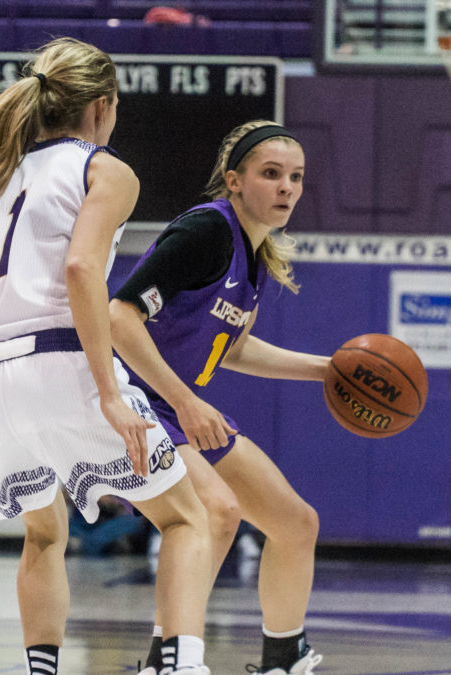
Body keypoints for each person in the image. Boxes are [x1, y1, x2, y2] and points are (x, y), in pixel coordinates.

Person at [0, 37, 214, 674]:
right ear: (103, 106)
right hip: (59, 362)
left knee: (43, 533)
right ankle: (181, 667)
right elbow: (82, 268)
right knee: (191, 518)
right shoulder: (103, 169)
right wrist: (108, 392)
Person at [109, 120, 325, 675]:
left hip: (177, 408)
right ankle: (167, 659)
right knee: (217, 509)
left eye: (295, 178)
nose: (286, 188)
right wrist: (183, 400)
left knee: (296, 523)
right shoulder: (207, 232)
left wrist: (326, 371)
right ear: (234, 180)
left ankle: (283, 659)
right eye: (271, 174)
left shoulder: (254, 256)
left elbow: (233, 348)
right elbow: (119, 317)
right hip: (134, 399)